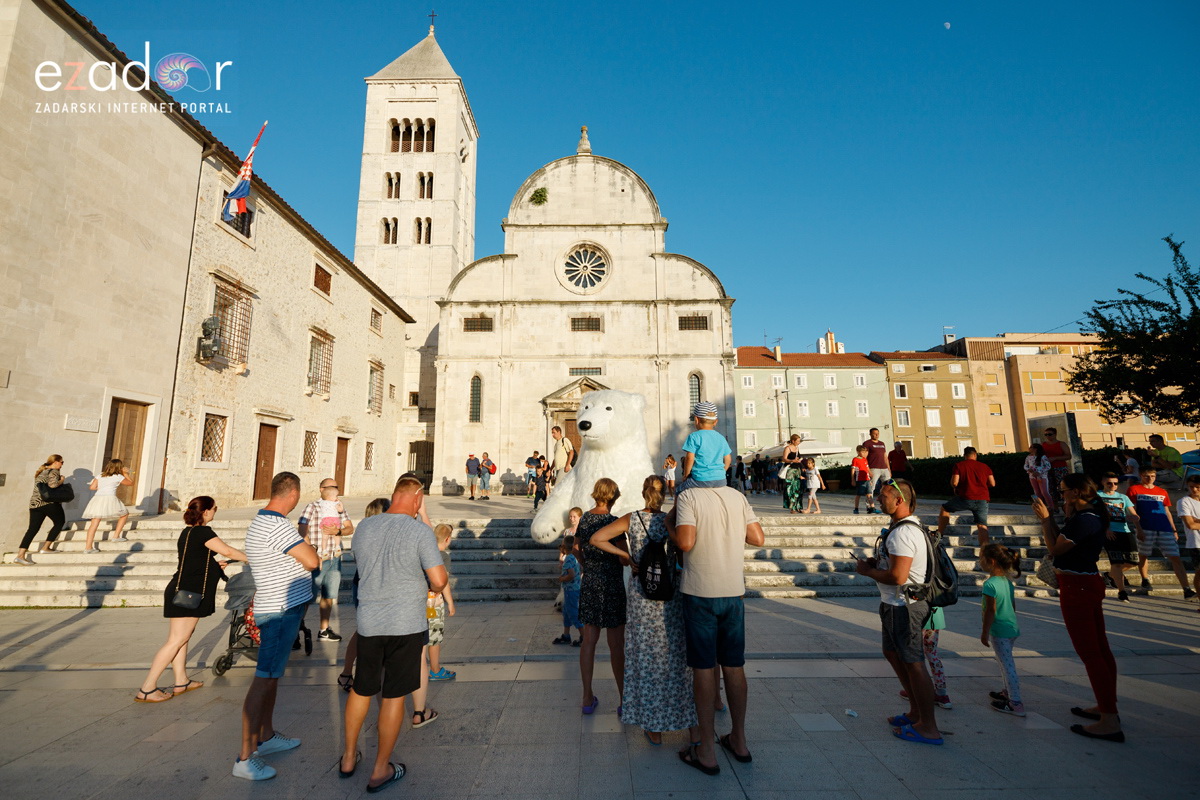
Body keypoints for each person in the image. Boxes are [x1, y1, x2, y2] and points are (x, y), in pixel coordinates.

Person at [341, 476, 448, 792]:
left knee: (362, 688)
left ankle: (348, 757)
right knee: (392, 696)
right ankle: (380, 768)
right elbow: (439, 580)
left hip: (369, 622)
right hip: (405, 624)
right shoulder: (419, 532)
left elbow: (364, 564)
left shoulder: (365, 527)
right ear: (417, 498)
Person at [669, 477, 764, 774]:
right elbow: (758, 538)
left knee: (703, 667)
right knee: (734, 666)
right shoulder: (737, 496)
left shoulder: (689, 497)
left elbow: (685, 542)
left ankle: (707, 751)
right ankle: (739, 740)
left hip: (700, 593)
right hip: (733, 592)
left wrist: (669, 526)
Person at [592, 475, 696, 745]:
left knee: (645, 659)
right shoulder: (671, 521)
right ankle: (683, 718)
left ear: (642, 493)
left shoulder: (632, 519)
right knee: (673, 658)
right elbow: (685, 554)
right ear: (663, 496)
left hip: (641, 597)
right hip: (669, 597)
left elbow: (597, 538)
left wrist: (626, 557)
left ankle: (653, 727)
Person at [233, 472, 320, 781]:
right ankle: (245, 756)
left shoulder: (261, 521)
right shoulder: (279, 526)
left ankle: (266, 736)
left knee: (271, 677)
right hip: (279, 611)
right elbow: (311, 560)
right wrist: (308, 547)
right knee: (264, 678)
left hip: (280, 608)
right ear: (293, 495)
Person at [1032, 473, 1124, 742]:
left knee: (1091, 653)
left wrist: (1046, 519)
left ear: (1075, 492)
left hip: (1077, 588)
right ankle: (1107, 706)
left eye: (1063, 492)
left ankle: (1109, 719)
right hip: (1085, 584)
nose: (1061, 496)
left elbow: (1055, 548)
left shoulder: (1085, 521)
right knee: (1101, 650)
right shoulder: (1089, 516)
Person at [853, 478, 943, 746]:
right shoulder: (903, 528)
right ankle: (916, 712)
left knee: (914, 663)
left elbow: (898, 575)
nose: (878, 499)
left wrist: (869, 571)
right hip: (894, 604)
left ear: (899, 500)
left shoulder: (904, 533)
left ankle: (928, 726)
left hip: (905, 606)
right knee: (894, 653)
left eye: (883, 496)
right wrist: (875, 564)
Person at [136, 496, 247, 703]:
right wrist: (253, 558)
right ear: (205, 512)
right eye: (215, 508)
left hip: (181, 589)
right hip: (189, 592)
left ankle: (181, 681)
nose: (215, 511)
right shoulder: (203, 532)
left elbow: (194, 562)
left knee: (182, 638)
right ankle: (147, 688)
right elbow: (228, 550)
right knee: (176, 640)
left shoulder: (188, 532)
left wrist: (214, 566)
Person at [574, 478, 623, 715]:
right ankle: (624, 700)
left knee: (589, 642)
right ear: (613, 497)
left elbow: (575, 548)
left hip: (591, 581)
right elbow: (623, 556)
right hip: (612, 583)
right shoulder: (614, 522)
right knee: (616, 646)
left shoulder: (584, 519)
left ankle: (586, 697)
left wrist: (587, 564)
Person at [338, 496, 391, 692]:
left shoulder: (365, 531)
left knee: (365, 630)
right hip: (368, 586)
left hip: (368, 584)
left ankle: (349, 672)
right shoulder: (371, 534)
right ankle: (353, 673)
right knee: (365, 631)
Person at [298, 478, 354, 642]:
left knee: (329, 595)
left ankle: (324, 629)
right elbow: (302, 530)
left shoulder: (339, 506)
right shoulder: (312, 507)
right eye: (331, 487)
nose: (335, 490)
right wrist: (310, 552)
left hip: (333, 556)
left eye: (337, 487)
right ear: (321, 489)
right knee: (308, 596)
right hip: (316, 557)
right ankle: (295, 630)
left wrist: (339, 531)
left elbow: (349, 527)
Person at [1128, 467, 1194, 596]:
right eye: (1147, 476)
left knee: (1175, 557)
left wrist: (1174, 529)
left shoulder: (1162, 491)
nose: (1150, 478)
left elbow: (1167, 511)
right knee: (1143, 554)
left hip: (1164, 528)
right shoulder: (1134, 489)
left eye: (1153, 476)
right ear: (1141, 475)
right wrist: (1138, 528)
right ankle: (1145, 579)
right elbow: (1133, 510)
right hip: (1145, 526)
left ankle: (1186, 588)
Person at [979, 543, 1025, 716]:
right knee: (1004, 661)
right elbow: (1012, 607)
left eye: (981, 558)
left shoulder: (990, 584)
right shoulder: (1007, 582)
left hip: (999, 631)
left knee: (1007, 665)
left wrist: (985, 632)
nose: (980, 561)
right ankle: (1007, 692)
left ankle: (1015, 703)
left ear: (990, 561)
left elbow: (990, 610)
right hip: (1011, 628)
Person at [937, 447, 996, 549]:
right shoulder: (985, 466)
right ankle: (985, 552)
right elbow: (992, 483)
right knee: (982, 526)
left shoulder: (959, 466)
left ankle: (939, 534)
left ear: (964, 455)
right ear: (975, 455)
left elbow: (955, 482)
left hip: (965, 497)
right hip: (982, 499)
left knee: (945, 508)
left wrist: (955, 487)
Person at [1096, 473, 1142, 602]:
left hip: (1125, 531)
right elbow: (1096, 514)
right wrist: (1106, 528)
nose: (1113, 486)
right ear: (1103, 483)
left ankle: (1109, 576)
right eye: (1109, 483)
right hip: (1110, 531)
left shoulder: (1123, 497)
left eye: (1115, 483)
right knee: (1116, 563)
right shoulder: (1097, 496)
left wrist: (1138, 525)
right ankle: (1122, 592)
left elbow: (1133, 513)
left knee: (1133, 561)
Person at [16, 455, 68, 565]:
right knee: (59, 522)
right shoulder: (54, 471)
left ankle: (20, 555)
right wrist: (62, 480)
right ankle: (46, 548)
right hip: (49, 503)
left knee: (32, 529)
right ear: (55, 462)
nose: (62, 464)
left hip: (35, 504)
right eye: (61, 462)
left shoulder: (41, 471)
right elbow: (53, 485)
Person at [898, 607, 952, 711]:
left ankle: (914, 690)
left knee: (914, 656)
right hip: (935, 618)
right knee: (932, 655)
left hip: (919, 618)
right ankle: (942, 694)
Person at [679, 402, 732, 494]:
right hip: (721, 479)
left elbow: (690, 458)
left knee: (679, 490)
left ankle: (674, 509)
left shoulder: (694, 436)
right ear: (715, 421)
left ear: (696, 419)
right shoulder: (721, 437)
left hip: (701, 479)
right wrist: (722, 472)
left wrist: (686, 475)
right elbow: (728, 459)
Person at [82, 458, 133, 552]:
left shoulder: (100, 475)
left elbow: (92, 487)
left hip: (97, 498)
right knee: (124, 514)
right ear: (119, 467)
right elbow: (130, 483)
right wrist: (125, 473)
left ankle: (88, 547)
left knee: (94, 523)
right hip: (110, 498)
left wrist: (102, 488)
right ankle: (116, 536)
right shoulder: (118, 476)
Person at [427, 523, 457, 681]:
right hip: (434, 603)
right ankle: (435, 669)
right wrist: (450, 602)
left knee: (421, 637)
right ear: (447, 539)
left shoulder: (426, 553)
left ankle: (418, 668)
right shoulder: (443, 556)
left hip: (420, 601)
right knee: (434, 636)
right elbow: (442, 582)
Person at [553, 535, 583, 646]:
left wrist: (562, 578)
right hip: (572, 589)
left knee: (574, 613)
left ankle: (584, 637)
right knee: (566, 613)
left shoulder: (568, 559)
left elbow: (571, 575)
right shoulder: (574, 557)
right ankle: (566, 635)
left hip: (571, 591)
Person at [1178, 475, 1200, 609]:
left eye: (1197, 487)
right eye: (1191, 487)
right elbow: (1190, 524)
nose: (1194, 490)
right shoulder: (1184, 501)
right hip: (1196, 543)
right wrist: (1194, 521)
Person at [1041, 427, 1072, 506]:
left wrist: (1056, 458)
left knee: (1062, 486)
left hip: (1060, 468)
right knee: (1050, 487)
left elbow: (1068, 456)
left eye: (1050, 434)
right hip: (1047, 469)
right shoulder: (1043, 445)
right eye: (1046, 435)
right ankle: (1054, 505)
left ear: (1055, 434)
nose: (1048, 436)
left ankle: (1067, 503)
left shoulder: (1061, 444)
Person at [862, 428, 891, 508]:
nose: (876, 435)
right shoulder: (867, 443)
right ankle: (869, 506)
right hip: (874, 468)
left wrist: (889, 470)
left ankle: (887, 504)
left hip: (884, 468)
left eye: (878, 433)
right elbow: (864, 457)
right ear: (870, 434)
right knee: (871, 487)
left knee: (888, 487)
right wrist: (867, 470)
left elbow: (885, 457)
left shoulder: (882, 443)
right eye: (874, 433)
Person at [1025, 444, 1054, 511]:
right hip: (1032, 476)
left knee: (1044, 492)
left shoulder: (1043, 457)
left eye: (1031, 447)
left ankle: (1051, 506)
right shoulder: (1028, 457)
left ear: (1036, 449)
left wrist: (1039, 472)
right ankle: (1041, 506)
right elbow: (1025, 465)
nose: (1029, 449)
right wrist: (1028, 469)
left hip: (1042, 476)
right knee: (1037, 492)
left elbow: (1048, 466)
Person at [780, 434, 804, 514]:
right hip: (790, 470)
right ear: (793, 441)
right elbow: (784, 459)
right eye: (797, 441)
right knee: (790, 489)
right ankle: (792, 508)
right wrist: (792, 461)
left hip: (797, 470)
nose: (799, 442)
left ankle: (798, 507)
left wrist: (802, 465)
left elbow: (799, 458)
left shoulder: (797, 448)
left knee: (798, 489)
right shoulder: (788, 448)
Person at [851, 446, 871, 514]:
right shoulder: (855, 459)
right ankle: (856, 508)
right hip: (860, 479)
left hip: (867, 479)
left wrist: (870, 476)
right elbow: (853, 470)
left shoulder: (865, 459)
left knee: (869, 494)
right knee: (858, 494)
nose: (864, 453)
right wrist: (853, 479)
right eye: (862, 452)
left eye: (864, 452)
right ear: (858, 452)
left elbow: (867, 469)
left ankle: (871, 507)